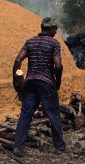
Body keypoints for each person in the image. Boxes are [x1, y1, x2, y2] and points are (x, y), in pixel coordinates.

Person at [12, 17, 66, 156]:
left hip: (30, 82)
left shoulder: (30, 42)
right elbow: (58, 65)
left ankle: (18, 147)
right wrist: (57, 81)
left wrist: (17, 80)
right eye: (55, 29)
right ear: (51, 29)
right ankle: (59, 148)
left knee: (25, 114)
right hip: (46, 83)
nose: (56, 32)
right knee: (53, 113)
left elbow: (18, 60)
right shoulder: (54, 43)